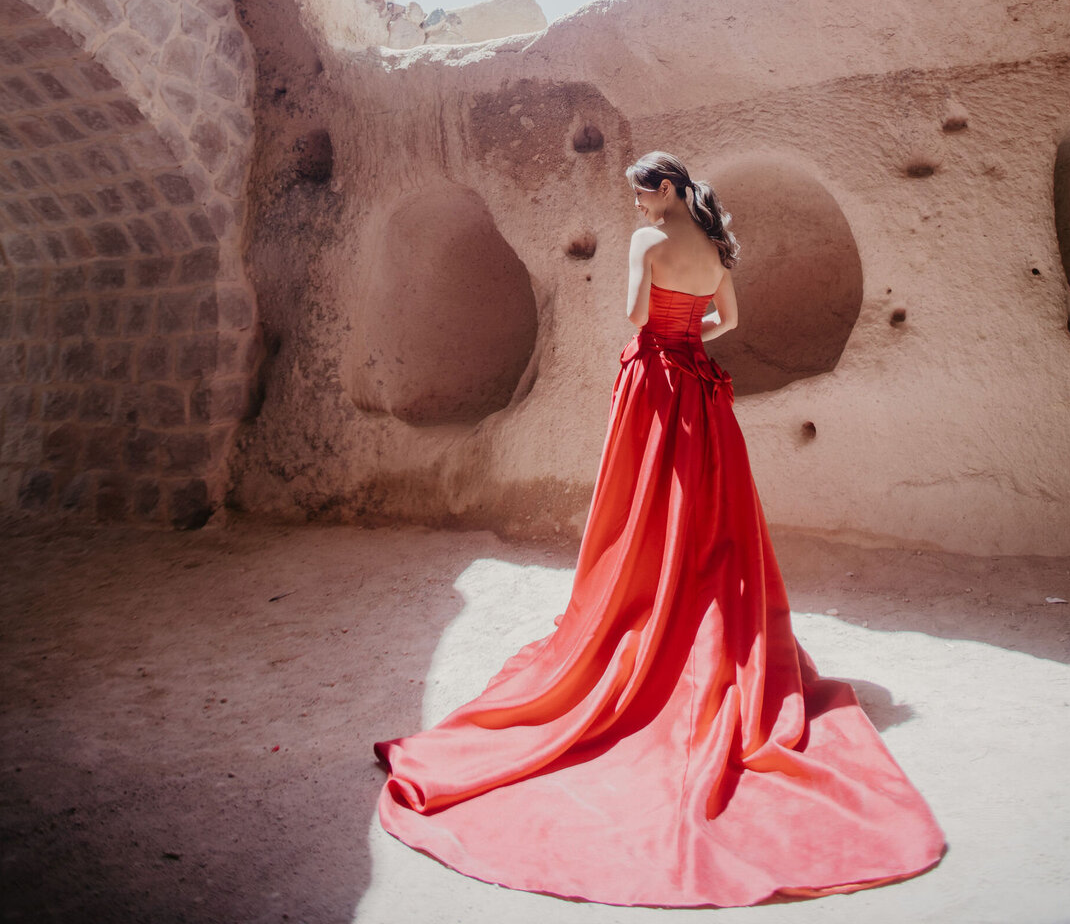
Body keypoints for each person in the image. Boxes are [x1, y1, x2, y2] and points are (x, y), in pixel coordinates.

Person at [374, 150, 946, 907]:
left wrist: (662, 318)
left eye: (644, 196)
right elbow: (730, 320)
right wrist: (693, 331)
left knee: (645, 506)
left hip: (653, 381)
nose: (639, 209)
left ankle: (646, 608)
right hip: (700, 386)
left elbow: (637, 317)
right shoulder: (713, 246)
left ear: (667, 188)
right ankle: (690, 604)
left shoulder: (648, 244)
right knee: (706, 509)